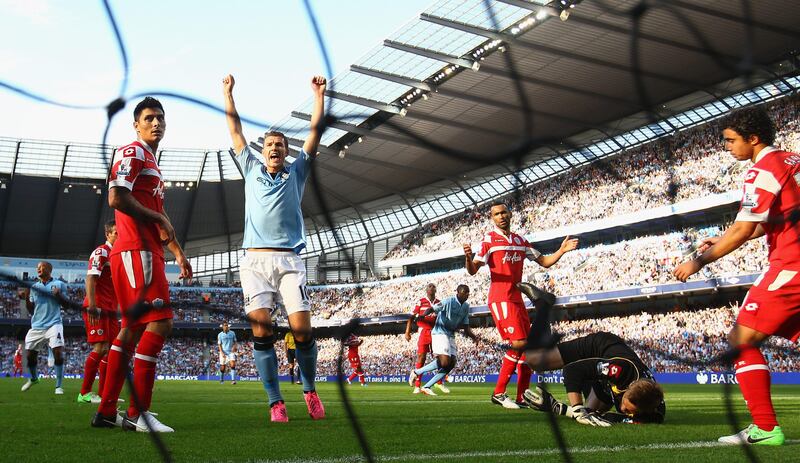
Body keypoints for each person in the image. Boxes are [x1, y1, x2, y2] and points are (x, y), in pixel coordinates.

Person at [673, 106, 794, 446]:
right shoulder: (793, 161)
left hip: (792, 266)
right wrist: (736, 233)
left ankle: (766, 429)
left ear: (753, 139)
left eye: (730, 140)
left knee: (741, 341)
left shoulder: (762, 170)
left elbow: (743, 229)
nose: (727, 147)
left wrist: (699, 262)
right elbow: (777, 219)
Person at [223, 73, 327, 422]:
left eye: (280, 146)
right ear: (262, 149)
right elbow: (235, 131)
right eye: (269, 145)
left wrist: (318, 96)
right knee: (261, 329)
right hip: (254, 262)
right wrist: (228, 94)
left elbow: (314, 133)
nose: (274, 149)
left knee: (302, 330)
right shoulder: (250, 168)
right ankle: (275, 402)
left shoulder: (297, 172)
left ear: (286, 151)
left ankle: (310, 390)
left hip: (290, 261)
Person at [92, 97, 193, 432]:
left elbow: (160, 219)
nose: (156, 123)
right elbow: (116, 197)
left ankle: (107, 412)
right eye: (149, 118)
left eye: (161, 118)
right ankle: (138, 413)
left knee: (132, 330)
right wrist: (155, 219)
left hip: (144, 251)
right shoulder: (132, 151)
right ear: (136, 124)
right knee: (160, 324)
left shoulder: (152, 161)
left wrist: (177, 252)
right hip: (137, 251)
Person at [463, 201, 578, 408]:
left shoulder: (520, 240)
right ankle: (498, 393)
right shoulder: (489, 240)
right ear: (493, 218)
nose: (501, 216)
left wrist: (561, 250)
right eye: (497, 214)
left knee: (528, 349)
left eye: (504, 212)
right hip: (500, 297)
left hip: (517, 299)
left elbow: (544, 261)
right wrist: (468, 258)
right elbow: (473, 270)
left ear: (510, 214)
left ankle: (521, 396)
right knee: (518, 344)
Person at [523, 331, 665, 425]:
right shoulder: (620, 370)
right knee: (534, 361)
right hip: (596, 347)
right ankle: (542, 304)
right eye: (624, 403)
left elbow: (614, 418)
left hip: (607, 381)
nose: (621, 408)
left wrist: (558, 408)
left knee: (590, 416)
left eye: (628, 411)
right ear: (628, 388)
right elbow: (572, 371)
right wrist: (577, 409)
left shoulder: (655, 411)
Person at [78, 220, 120, 404]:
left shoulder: (119, 255)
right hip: (98, 307)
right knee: (101, 348)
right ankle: (84, 393)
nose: (120, 235)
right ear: (108, 234)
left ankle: (103, 395)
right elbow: (90, 278)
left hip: (110, 310)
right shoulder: (101, 252)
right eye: (116, 232)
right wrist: (92, 305)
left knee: (111, 351)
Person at [408, 285, 478, 395]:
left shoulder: (466, 306)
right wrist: (422, 316)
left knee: (451, 363)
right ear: (458, 292)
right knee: (445, 361)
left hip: (450, 335)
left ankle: (426, 386)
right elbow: (432, 308)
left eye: (468, 292)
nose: (468, 294)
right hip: (440, 333)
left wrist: (473, 337)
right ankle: (417, 372)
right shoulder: (448, 301)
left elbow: (466, 326)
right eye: (465, 292)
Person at [17, 261, 68, 394]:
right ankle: (34, 379)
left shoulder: (60, 284)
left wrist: (58, 295)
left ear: (49, 269)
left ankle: (58, 386)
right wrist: (27, 298)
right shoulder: (34, 287)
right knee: (30, 356)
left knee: (58, 351)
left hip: (54, 323)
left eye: (42, 267)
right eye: (38, 267)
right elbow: (31, 310)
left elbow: (67, 305)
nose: (39, 269)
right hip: (37, 326)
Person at [404, 283, 446, 394]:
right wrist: (407, 331)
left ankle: (439, 383)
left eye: (433, 287)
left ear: (436, 290)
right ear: (426, 290)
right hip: (423, 331)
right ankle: (417, 385)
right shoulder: (421, 301)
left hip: (436, 332)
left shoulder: (439, 303)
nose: (432, 288)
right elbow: (411, 317)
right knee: (421, 357)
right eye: (430, 286)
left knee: (441, 358)